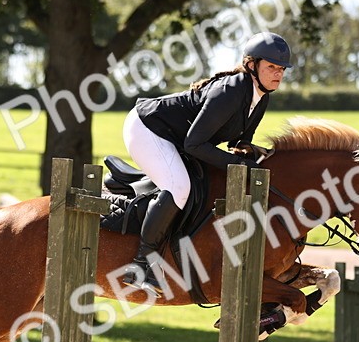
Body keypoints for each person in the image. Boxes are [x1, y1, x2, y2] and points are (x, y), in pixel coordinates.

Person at [121, 31, 292, 292]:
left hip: (176, 138)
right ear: (251, 65)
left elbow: (239, 144)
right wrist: (240, 166)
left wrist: (266, 157)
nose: (277, 74)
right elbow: (194, 144)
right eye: (271, 67)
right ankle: (141, 264)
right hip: (147, 128)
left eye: (281, 69)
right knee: (179, 187)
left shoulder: (261, 97)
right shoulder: (231, 90)